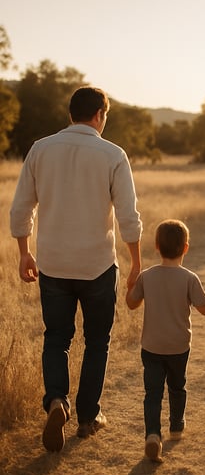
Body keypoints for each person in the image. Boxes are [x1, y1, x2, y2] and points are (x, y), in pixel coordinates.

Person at [10, 86, 142, 452]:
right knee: (97, 341)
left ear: (71, 114)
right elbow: (129, 216)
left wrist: (24, 253)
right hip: (98, 265)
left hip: (52, 263)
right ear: (100, 114)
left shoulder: (40, 149)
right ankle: (87, 416)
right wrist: (135, 262)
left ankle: (56, 401)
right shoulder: (113, 154)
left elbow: (21, 208)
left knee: (57, 337)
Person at [126, 219, 205, 463]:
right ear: (186, 248)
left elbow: (131, 303)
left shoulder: (147, 276)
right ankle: (176, 427)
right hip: (179, 347)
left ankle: (152, 434)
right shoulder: (189, 278)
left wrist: (131, 286)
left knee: (152, 393)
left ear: (157, 246)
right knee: (177, 387)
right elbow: (203, 309)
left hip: (151, 346)